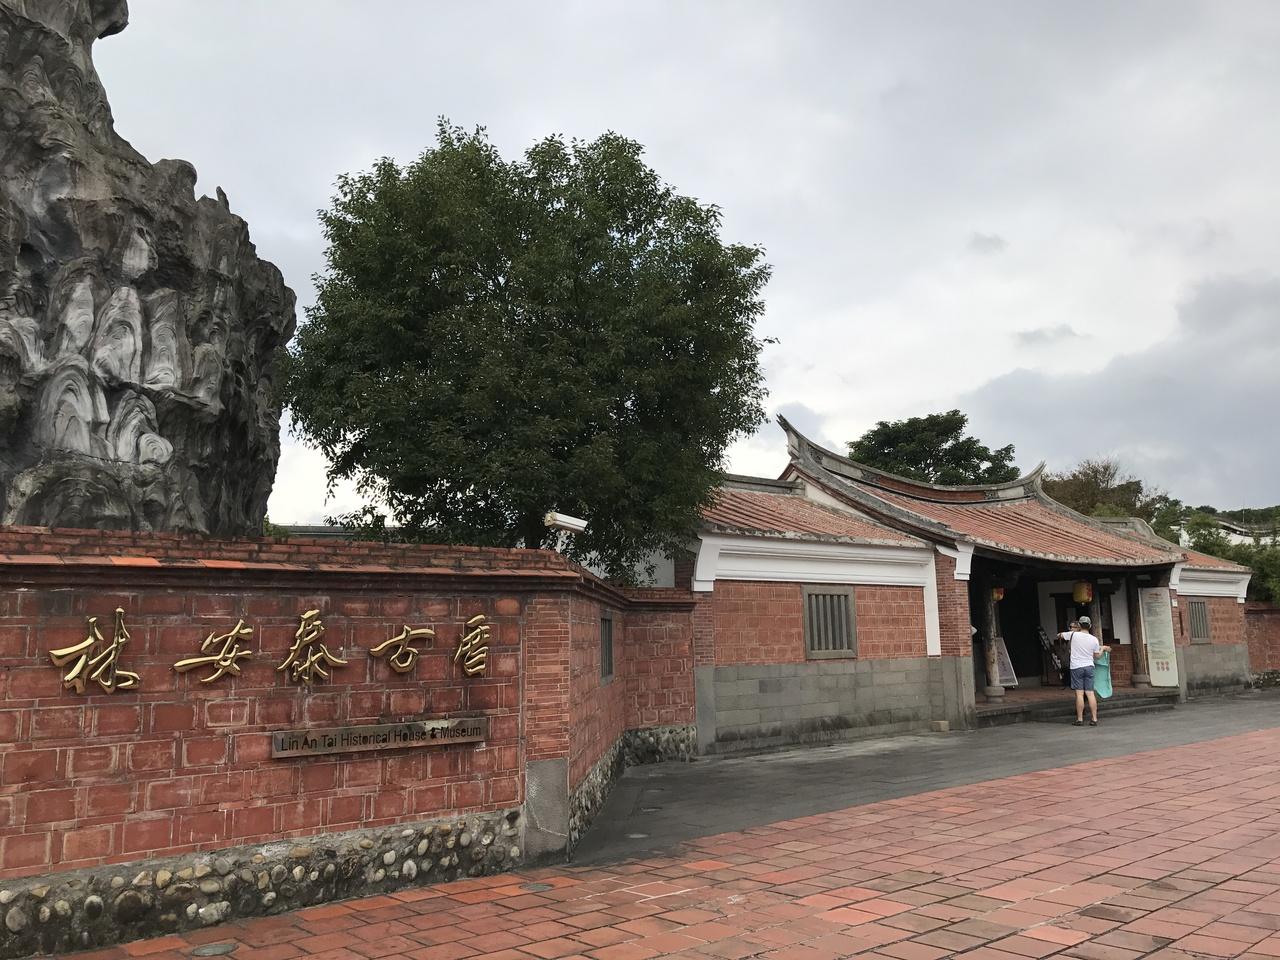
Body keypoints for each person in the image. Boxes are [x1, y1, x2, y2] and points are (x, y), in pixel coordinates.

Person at [1058, 616, 1108, 726]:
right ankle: (1094, 719)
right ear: (1090, 626)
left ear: (1079, 625)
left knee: (1079, 694)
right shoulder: (1094, 639)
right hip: (1089, 667)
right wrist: (1103, 649)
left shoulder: (1073, 635)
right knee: (1090, 693)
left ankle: (1080, 719)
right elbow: (1097, 656)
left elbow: (1059, 635)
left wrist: (1071, 631)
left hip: (1076, 667)